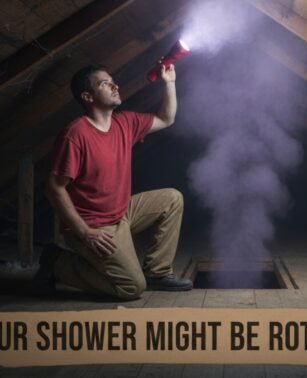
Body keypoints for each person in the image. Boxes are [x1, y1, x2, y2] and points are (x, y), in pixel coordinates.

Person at [34, 62, 192, 300]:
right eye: (105, 84)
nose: (115, 86)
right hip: (94, 225)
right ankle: (57, 263)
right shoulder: (75, 135)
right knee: (131, 287)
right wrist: (85, 232)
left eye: (112, 81)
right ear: (88, 96)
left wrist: (169, 82)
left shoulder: (124, 123)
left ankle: (157, 273)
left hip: (122, 213)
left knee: (172, 199)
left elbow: (166, 119)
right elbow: (54, 188)